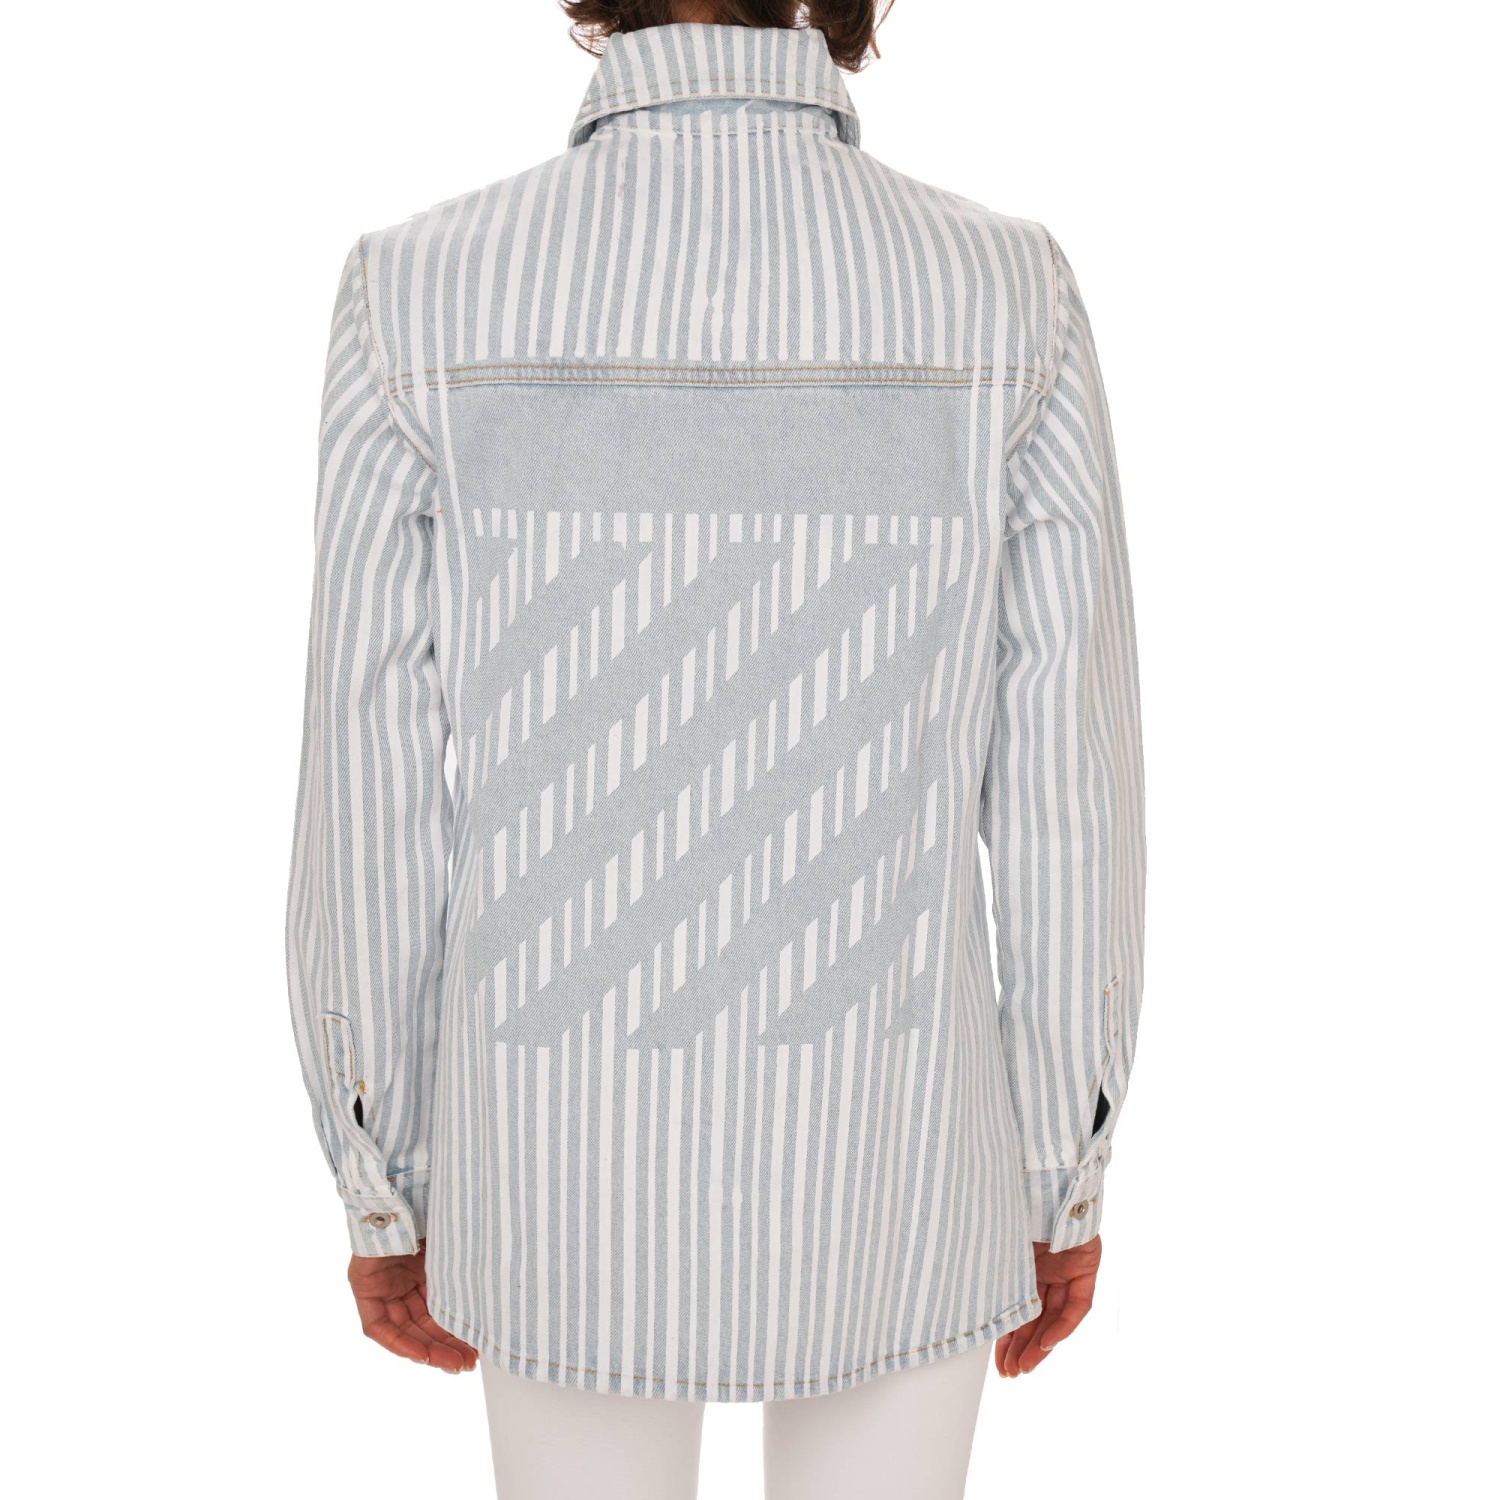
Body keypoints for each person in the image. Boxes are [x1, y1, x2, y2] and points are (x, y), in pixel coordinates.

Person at [283, 3, 1146, 1496]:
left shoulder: (415, 294)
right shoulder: (1010, 294)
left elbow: (371, 776)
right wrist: (1063, 1165)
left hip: (553, 1174)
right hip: (900, 1163)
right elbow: (1068, 781)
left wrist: (385, 1173)